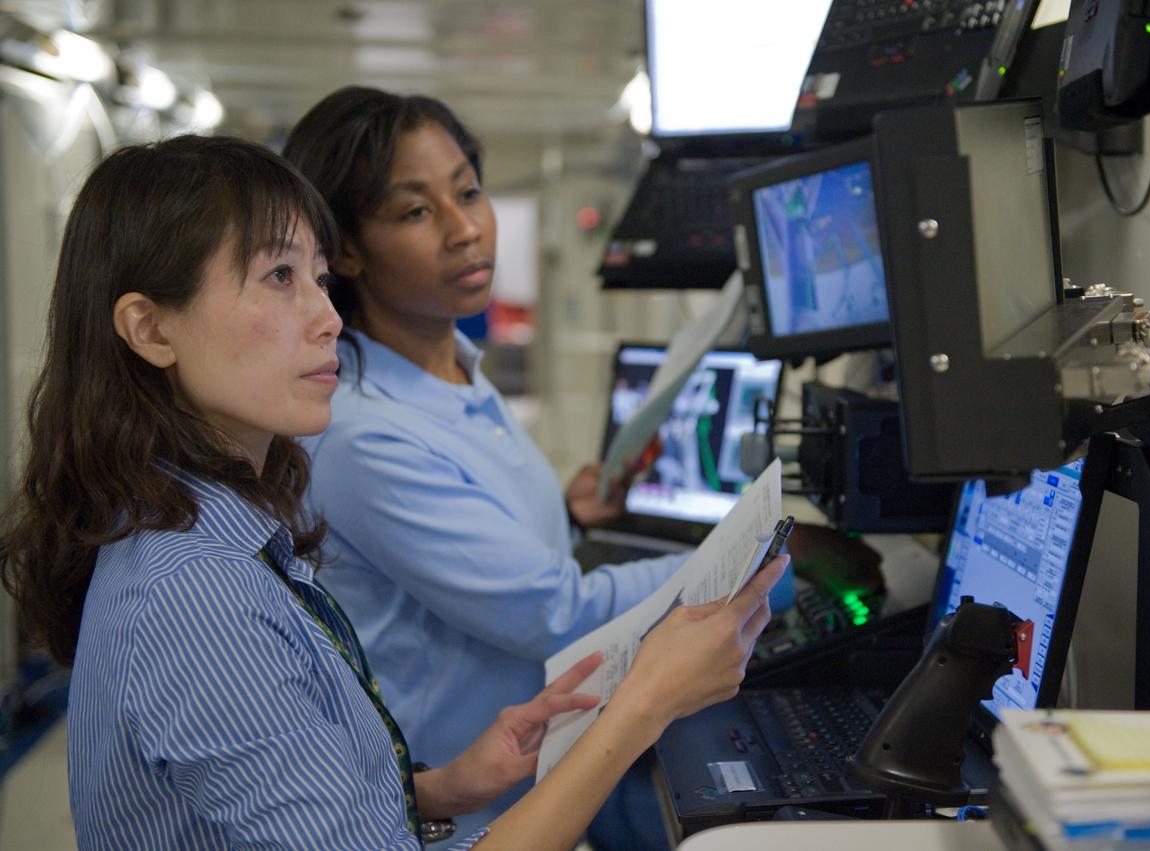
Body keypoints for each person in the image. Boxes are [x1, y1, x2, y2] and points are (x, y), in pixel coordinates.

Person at [0, 134, 787, 850]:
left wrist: (445, 787)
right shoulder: (197, 597)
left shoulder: (215, 532)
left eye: (317, 276)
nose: (326, 318)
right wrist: (642, 703)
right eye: (278, 276)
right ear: (150, 329)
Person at [284, 86, 733, 844]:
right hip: (464, 820)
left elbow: (465, 536)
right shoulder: (360, 431)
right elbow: (557, 611)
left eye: (469, 192)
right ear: (348, 250)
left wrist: (564, 509)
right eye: (416, 211)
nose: (466, 230)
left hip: (532, 781)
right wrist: (764, 557)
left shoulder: (451, 367)